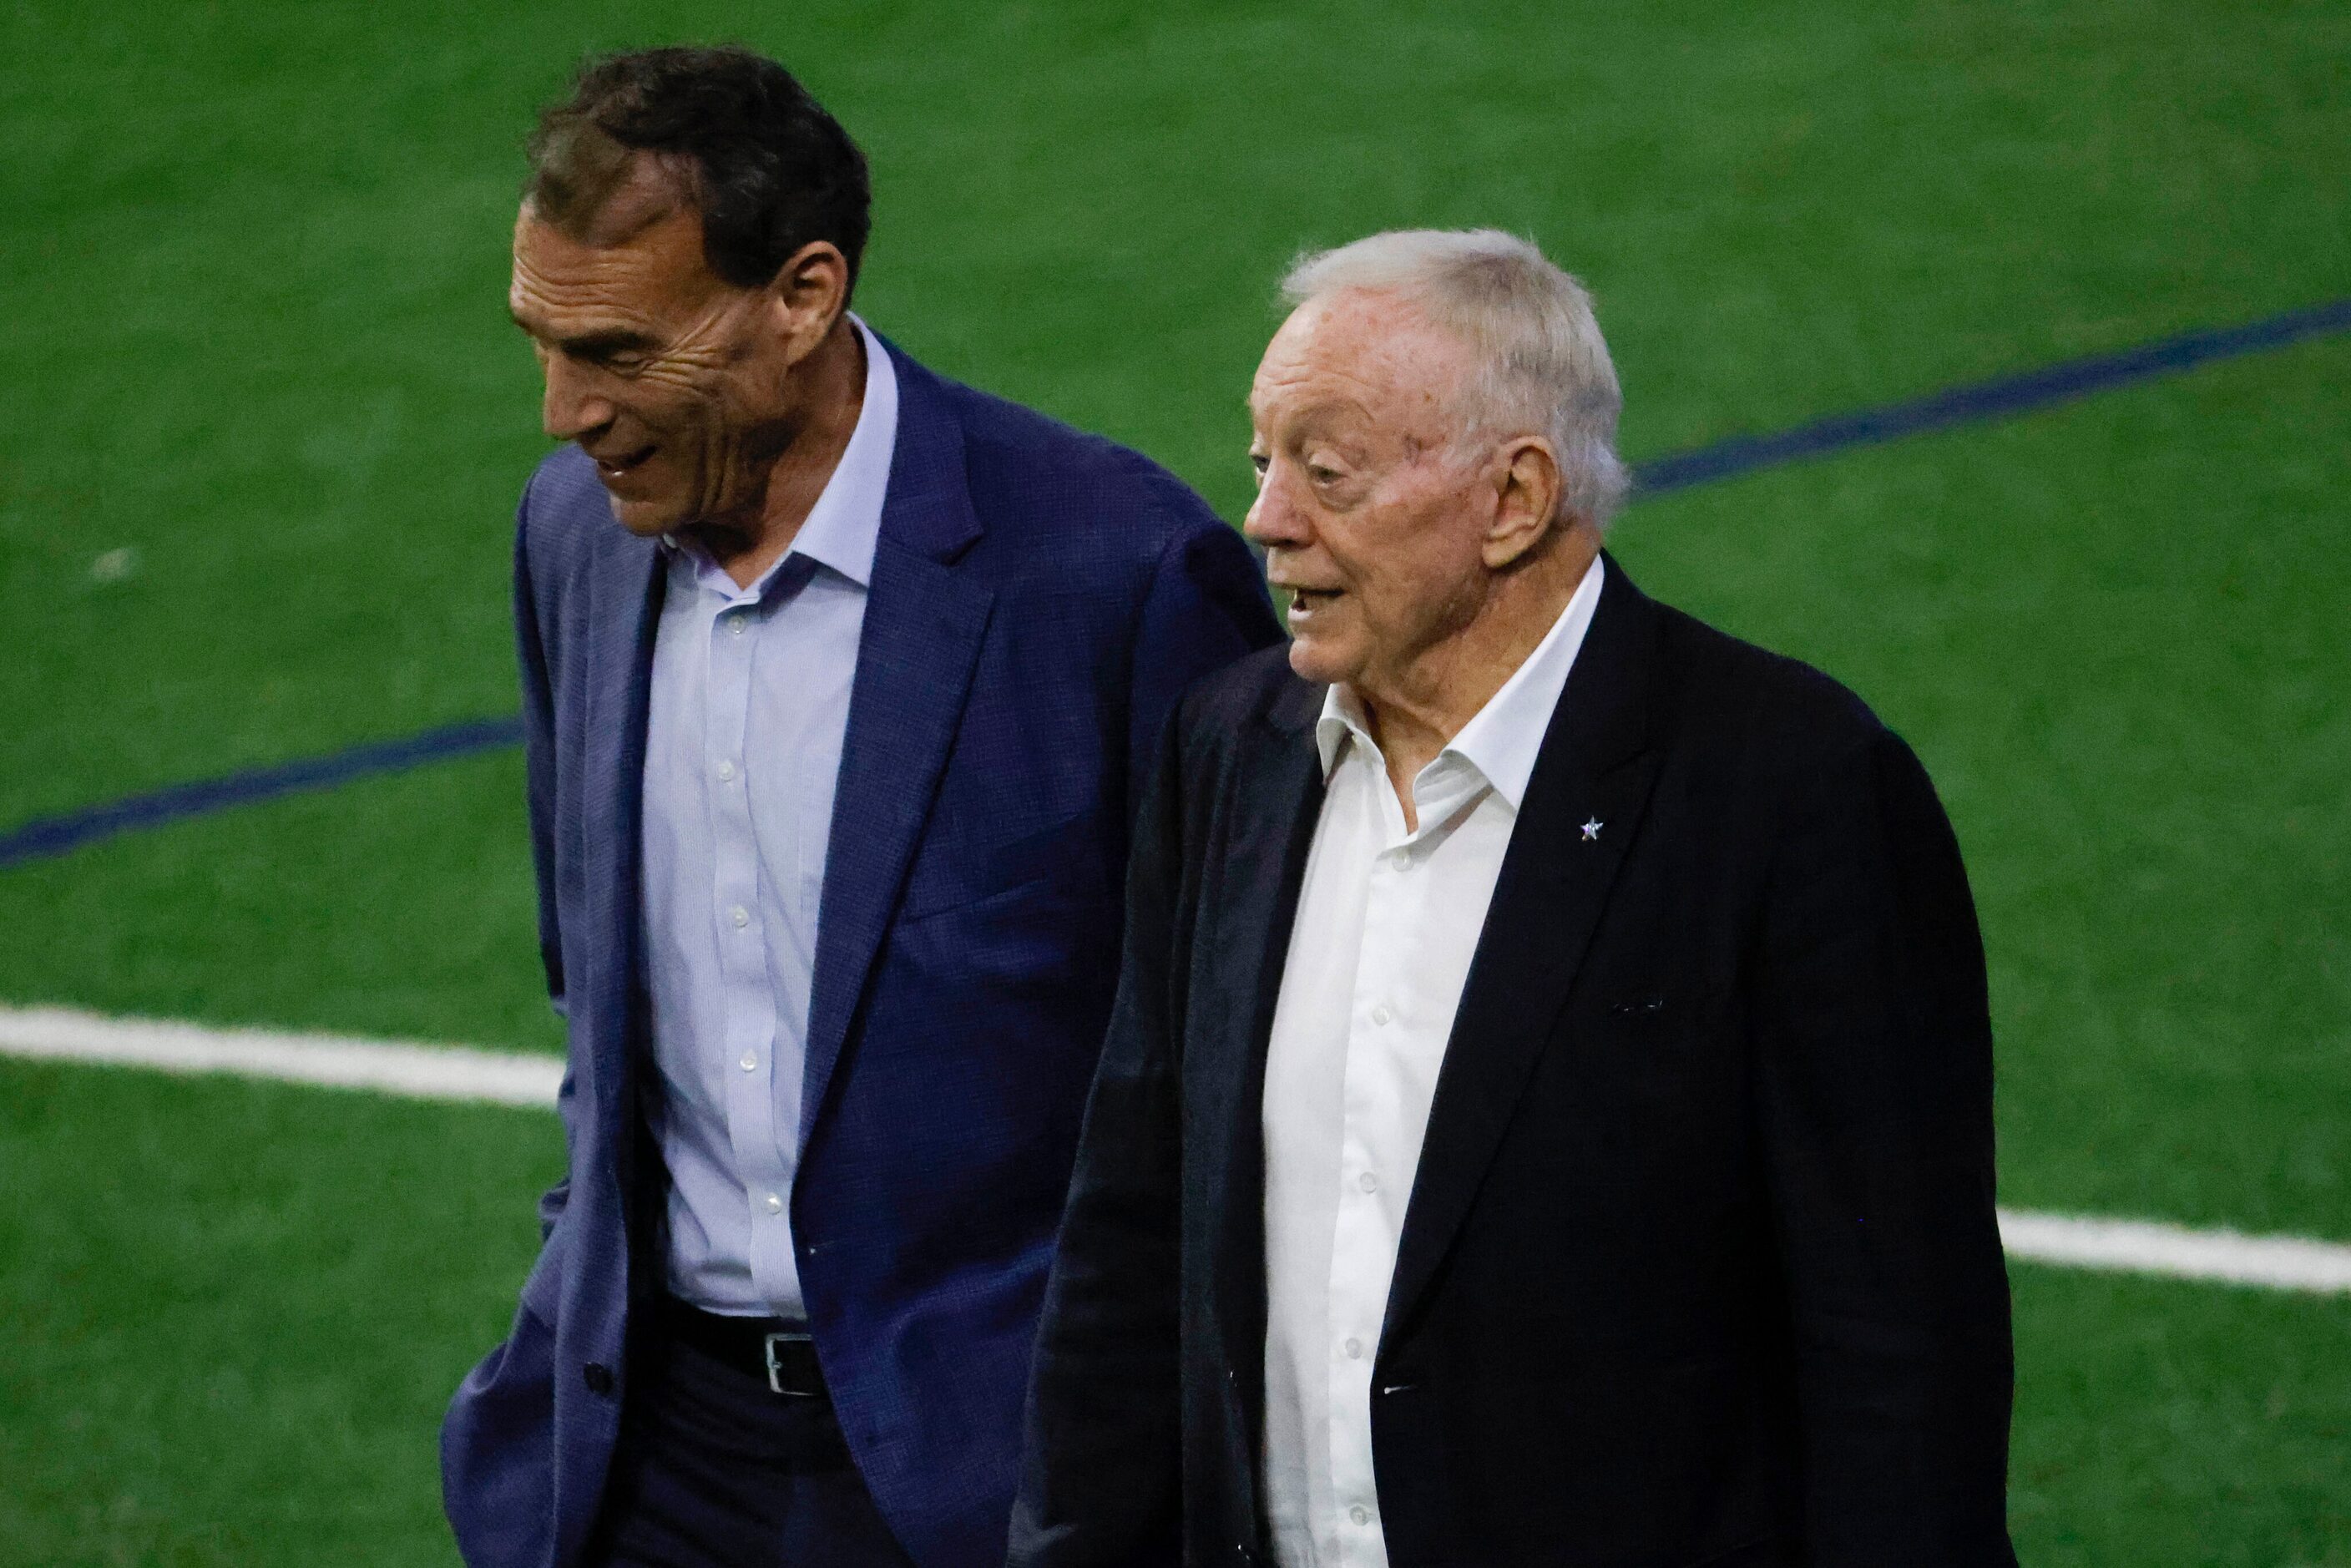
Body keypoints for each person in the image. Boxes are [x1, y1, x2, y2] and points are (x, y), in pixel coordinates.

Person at [1010, 230, 2017, 1567]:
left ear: (1513, 497)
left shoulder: (1791, 791)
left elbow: (1899, 1334)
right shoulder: (1231, 750)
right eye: (1264, 462)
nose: (1266, 518)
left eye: (1329, 469)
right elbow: (1134, 1241)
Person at [441, 46, 1279, 1568]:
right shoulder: (574, 535)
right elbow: (596, 998)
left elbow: (1247, 1077)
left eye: (620, 352)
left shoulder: (1114, 579)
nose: (565, 412)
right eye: (543, 344)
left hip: (991, 1475)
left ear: (804, 297)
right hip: (655, 1457)